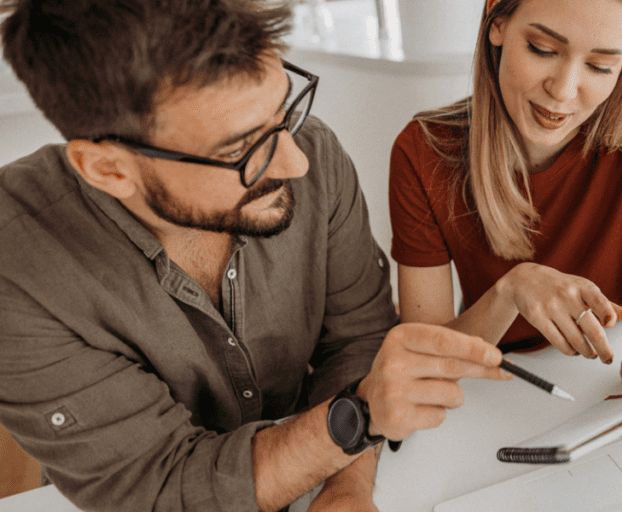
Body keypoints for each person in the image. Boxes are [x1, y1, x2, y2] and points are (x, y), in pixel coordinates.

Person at [0, 1, 512, 511]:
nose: (295, 161)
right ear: (109, 170)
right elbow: (164, 488)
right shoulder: (18, 273)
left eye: (284, 109)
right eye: (240, 151)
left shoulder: (311, 153)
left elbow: (358, 337)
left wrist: (344, 489)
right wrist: (354, 417)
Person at [390, 0, 622, 443]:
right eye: (542, 49)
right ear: (496, 24)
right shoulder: (423, 153)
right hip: (486, 389)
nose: (563, 91)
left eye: (599, 65)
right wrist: (510, 291)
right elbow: (424, 361)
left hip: (596, 375)